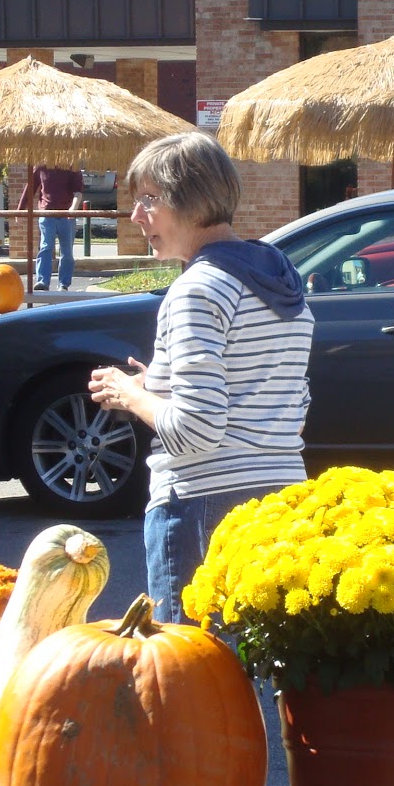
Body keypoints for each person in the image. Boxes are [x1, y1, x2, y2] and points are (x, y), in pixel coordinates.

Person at [88, 131, 314, 629]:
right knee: (254, 674)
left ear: (191, 199)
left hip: (204, 504)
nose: (136, 216)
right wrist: (159, 386)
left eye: (149, 199)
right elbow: (287, 405)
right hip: (283, 501)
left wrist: (131, 394)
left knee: (192, 682)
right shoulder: (279, 282)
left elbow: (197, 430)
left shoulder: (197, 289)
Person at [17, 164, 84, 291]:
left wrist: (72, 209)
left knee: (67, 251)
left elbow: (78, 192)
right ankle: (42, 281)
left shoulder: (72, 167)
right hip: (47, 214)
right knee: (46, 246)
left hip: (66, 215)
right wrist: (20, 210)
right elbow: (30, 188)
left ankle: (63, 283)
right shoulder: (41, 167)